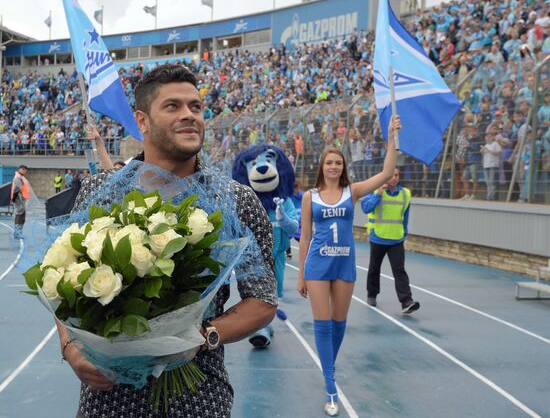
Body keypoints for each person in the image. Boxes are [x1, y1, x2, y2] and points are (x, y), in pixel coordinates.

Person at [56, 64, 277, 418]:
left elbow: (263, 300)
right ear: (142, 121)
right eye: (173, 106)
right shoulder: (102, 191)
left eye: (196, 107)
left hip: (197, 397)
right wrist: (69, 347)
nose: (189, 115)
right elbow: (64, 280)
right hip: (108, 398)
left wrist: (202, 337)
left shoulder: (234, 201)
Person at [297, 116, 400, 416]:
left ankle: (328, 365)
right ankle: (331, 386)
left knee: (339, 325)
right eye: (329, 163)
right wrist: (301, 273)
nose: (333, 167)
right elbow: (304, 237)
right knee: (323, 323)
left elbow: (386, 172)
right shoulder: (310, 196)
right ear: (322, 166)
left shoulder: (351, 192)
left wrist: (392, 138)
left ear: (343, 167)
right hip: (317, 265)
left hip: (344, 264)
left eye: (338, 163)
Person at [361, 168, 420, 314]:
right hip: (378, 237)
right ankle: (372, 294)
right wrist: (379, 194)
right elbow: (365, 208)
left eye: (397, 175)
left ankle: (406, 301)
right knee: (374, 268)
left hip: (396, 239)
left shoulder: (405, 194)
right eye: (391, 175)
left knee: (399, 270)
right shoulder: (374, 190)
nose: (394, 178)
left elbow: (405, 216)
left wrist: (404, 233)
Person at [10, 165, 29, 240]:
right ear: (21, 169)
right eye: (24, 170)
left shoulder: (20, 177)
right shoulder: (18, 178)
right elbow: (16, 190)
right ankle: (17, 233)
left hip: (21, 200)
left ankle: (19, 232)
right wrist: (14, 200)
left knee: (22, 216)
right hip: (19, 200)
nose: (25, 172)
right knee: (20, 216)